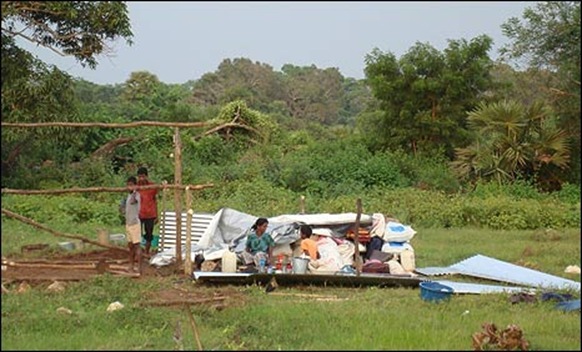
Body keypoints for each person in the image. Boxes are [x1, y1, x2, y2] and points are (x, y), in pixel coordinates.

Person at [136, 166, 158, 255]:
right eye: (140, 176)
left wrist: (157, 214)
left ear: (146, 176)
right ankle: (138, 252)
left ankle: (146, 252)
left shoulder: (152, 187)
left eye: (143, 176)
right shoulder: (135, 187)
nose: (141, 178)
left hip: (150, 214)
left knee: (149, 235)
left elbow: (155, 200)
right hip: (139, 214)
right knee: (137, 234)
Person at [124, 176, 142, 273]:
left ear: (135, 186)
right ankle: (131, 265)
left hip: (134, 223)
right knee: (130, 246)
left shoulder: (136, 195)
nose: (129, 187)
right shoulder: (128, 196)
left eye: (131, 185)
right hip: (128, 224)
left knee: (137, 246)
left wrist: (134, 191)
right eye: (128, 185)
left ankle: (139, 267)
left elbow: (133, 201)